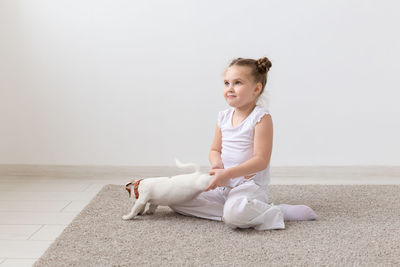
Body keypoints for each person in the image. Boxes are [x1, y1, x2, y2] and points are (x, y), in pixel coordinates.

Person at [169, 57, 317, 230]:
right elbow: (215, 149)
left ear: (256, 89)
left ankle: (275, 211)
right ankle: (238, 212)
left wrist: (229, 173)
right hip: (223, 186)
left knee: (235, 214)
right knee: (176, 199)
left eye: (237, 83)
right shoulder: (223, 117)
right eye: (226, 83)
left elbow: (261, 160)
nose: (229, 89)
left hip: (249, 186)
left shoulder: (261, 118)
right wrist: (216, 163)